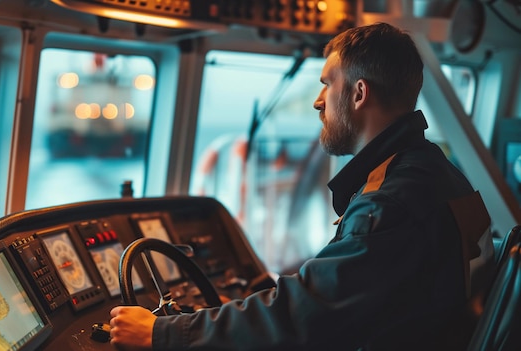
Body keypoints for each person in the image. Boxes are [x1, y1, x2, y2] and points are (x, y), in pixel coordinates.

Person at [109, 22, 493, 351]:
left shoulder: (390, 202)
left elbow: (308, 313)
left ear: (359, 94)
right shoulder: (436, 171)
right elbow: (337, 289)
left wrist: (163, 334)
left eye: (328, 84)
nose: (318, 101)